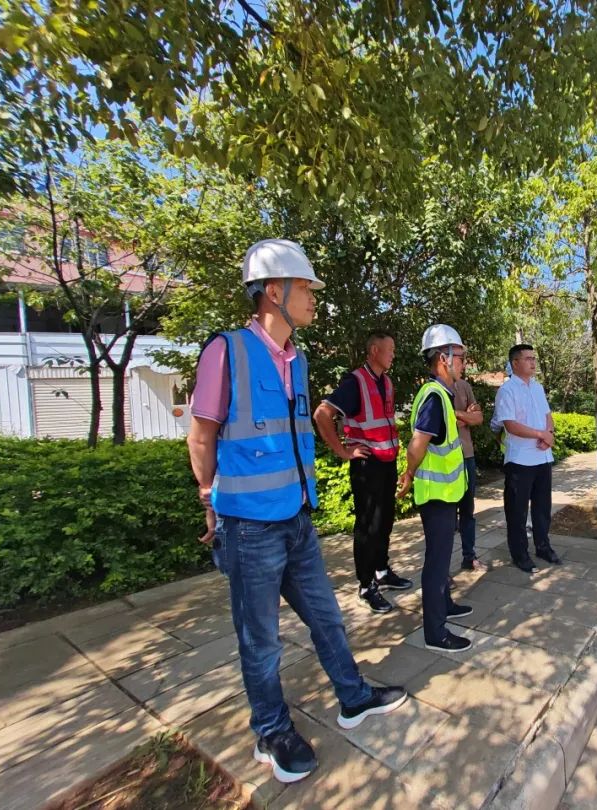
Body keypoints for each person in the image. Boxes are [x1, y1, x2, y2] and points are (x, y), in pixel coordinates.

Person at [187, 239, 406, 784]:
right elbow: (201, 434)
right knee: (260, 639)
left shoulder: (298, 359)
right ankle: (271, 731)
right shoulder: (227, 350)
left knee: (327, 617)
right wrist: (210, 499)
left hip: (295, 520)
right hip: (248, 526)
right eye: (306, 288)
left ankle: (353, 697)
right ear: (272, 291)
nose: (313, 299)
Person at [314, 331, 411, 615]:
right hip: (367, 465)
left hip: (387, 462)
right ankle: (366, 585)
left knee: (385, 521)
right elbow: (322, 414)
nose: (393, 353)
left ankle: (382, 570)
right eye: (389, 349)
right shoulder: (355, 382)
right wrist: (342, 451)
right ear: (373, 350)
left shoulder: (386, 382)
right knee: (367, 526)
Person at [396, 324, 474, 652]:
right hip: (435, 495)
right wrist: (409, 473)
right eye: (460, 358)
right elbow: (418, 443)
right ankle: (435, 632)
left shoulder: (441, 394)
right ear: (444, 358)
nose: (464, 364)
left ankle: (445, 605)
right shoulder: (433, 396)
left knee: (442, 556)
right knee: (437, 561)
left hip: (446, 492)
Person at [493, 343, 562, 573]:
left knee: (542, 508)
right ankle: (520, 554)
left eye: (534, 358)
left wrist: (549, 435)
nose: (533, 362)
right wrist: (540, 434)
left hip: (542, 457)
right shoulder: (507, 390)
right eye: (528, 358)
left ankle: (543, 546)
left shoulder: (537, 388)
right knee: (517, 511)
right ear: (515, 363)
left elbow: (547, 415)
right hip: (519, 461)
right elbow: (510, 425)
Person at [453, 374, 485, 571]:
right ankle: (442, 570)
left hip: (467, 456)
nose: (462, 363)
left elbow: (478, 417)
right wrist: (465, 414)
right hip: (444, 460)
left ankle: (469, 556)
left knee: (468, 511)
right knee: (446, 518)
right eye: (458, 358)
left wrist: (458, 416)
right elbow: (441, 422)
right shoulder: (433, 389)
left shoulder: (464, 386)